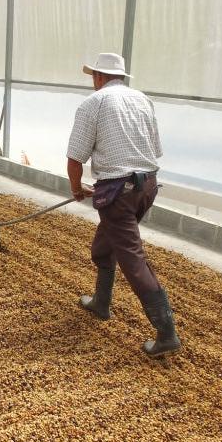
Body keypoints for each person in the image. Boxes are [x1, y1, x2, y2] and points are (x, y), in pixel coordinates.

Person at [66, 52, 181, 358]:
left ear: (98, 77)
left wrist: (76, 189)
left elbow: (75, 158)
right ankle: (101, 303)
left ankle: (166, 334)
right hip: (147, 186)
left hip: (118, 193)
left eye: (93, 76)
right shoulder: (143, 100)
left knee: (132, 258)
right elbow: (154, 149)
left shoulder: (94, 103)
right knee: (104, 247)